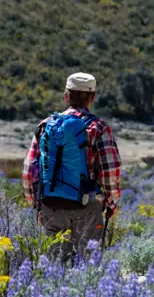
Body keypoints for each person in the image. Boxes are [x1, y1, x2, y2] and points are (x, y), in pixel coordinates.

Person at [22, 72, 122, 259]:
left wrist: (36, 204)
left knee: (55, 265)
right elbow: (110, 172)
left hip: (51, 206)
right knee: (87, 266)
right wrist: (111, 203)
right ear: (92, 98)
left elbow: (29, 171)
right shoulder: (98, 128)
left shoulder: (46, 126)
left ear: (66, 96)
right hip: (88, 206)